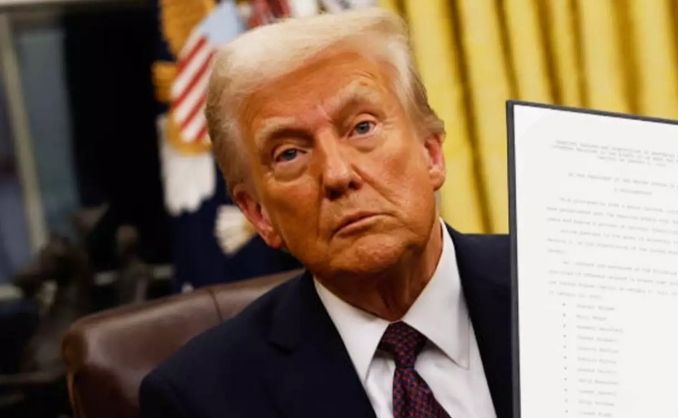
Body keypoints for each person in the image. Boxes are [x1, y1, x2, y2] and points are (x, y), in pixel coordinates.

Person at [139, 8, 511, 418]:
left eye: (363, 127)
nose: (337, 174)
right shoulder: (201, 399)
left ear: (431, 153)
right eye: (290, 154)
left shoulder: (559, 283)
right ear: (259, 214)